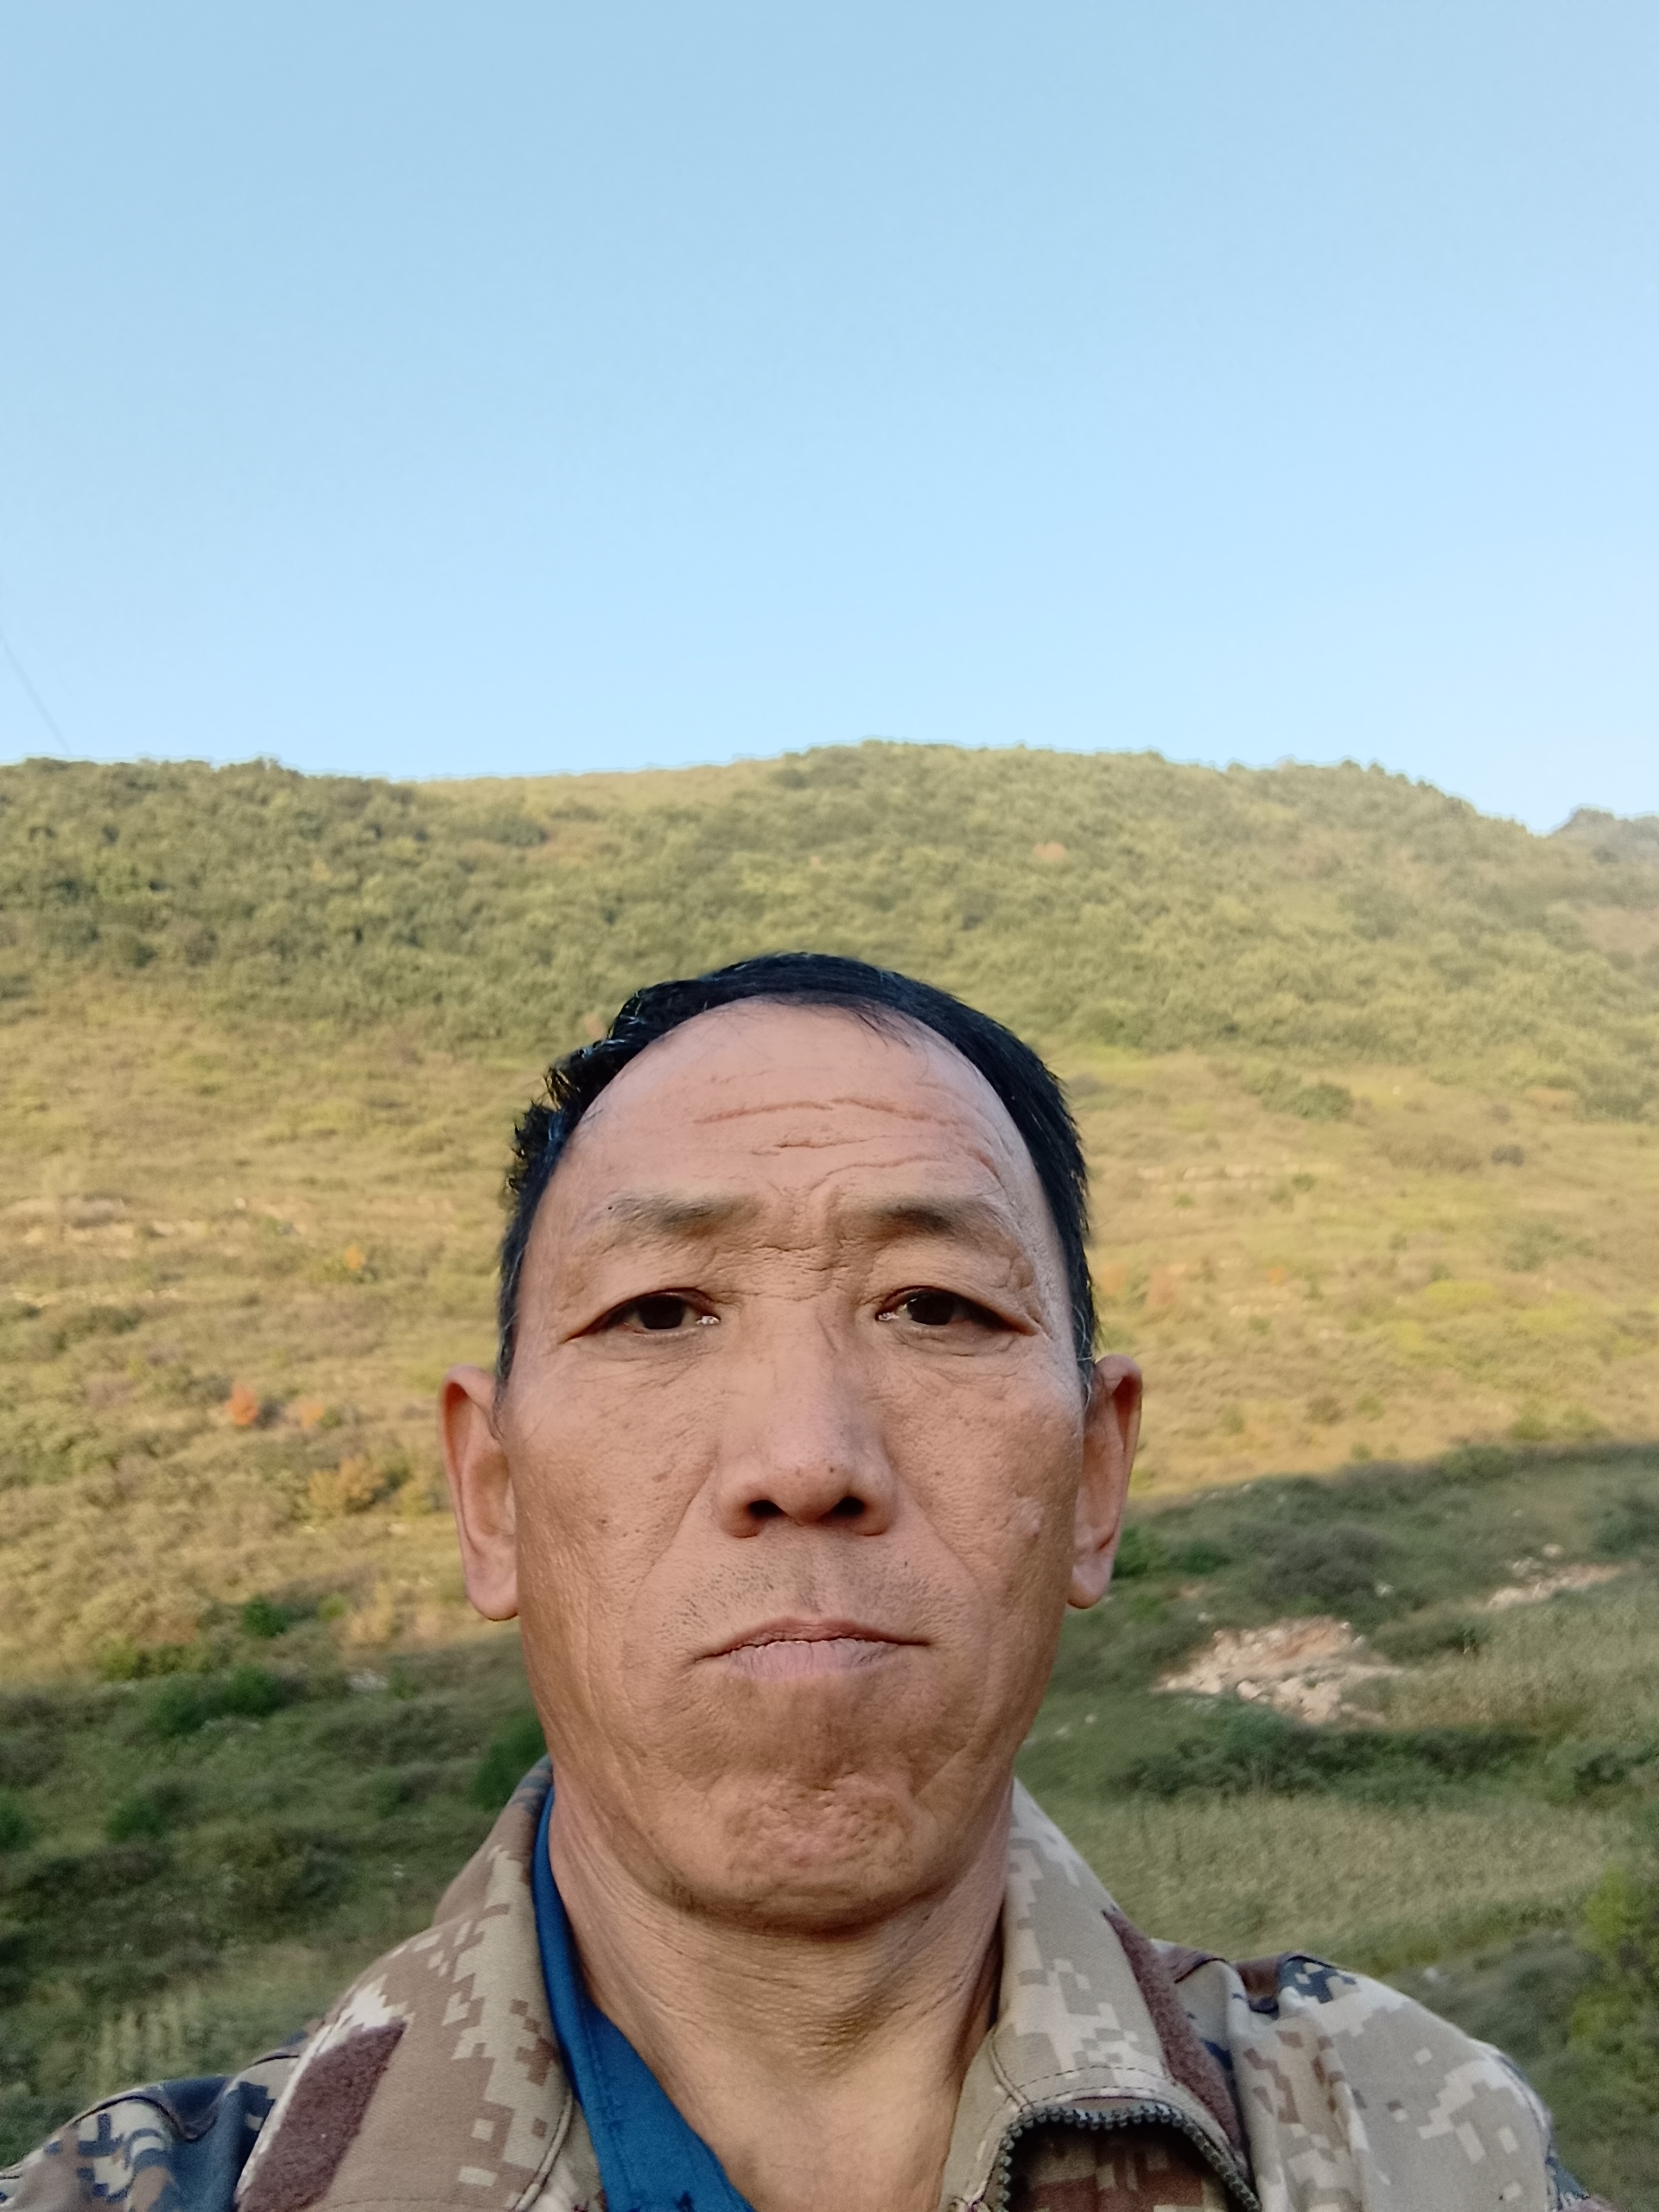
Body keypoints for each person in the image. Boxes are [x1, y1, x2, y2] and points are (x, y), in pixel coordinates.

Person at [1, 954, 1610, 2212]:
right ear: (492, 1495)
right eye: (657, 1311)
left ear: (1094, 1479)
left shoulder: (1419, 2143)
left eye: (936, 1306)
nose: (806, 1456)